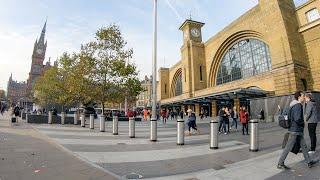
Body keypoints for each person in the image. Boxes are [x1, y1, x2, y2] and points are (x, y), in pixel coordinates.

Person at [278, 91, 318, 169]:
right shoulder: (298, 105)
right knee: (288, 147)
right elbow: (297, 118)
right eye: (303, 96)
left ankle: (309, 161)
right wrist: (302, 123)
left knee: (304, 147)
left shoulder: (293, 105)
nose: (304, 97)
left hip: (296, 130)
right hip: (295, 130)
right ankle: (280, 163)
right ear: (299, 97)